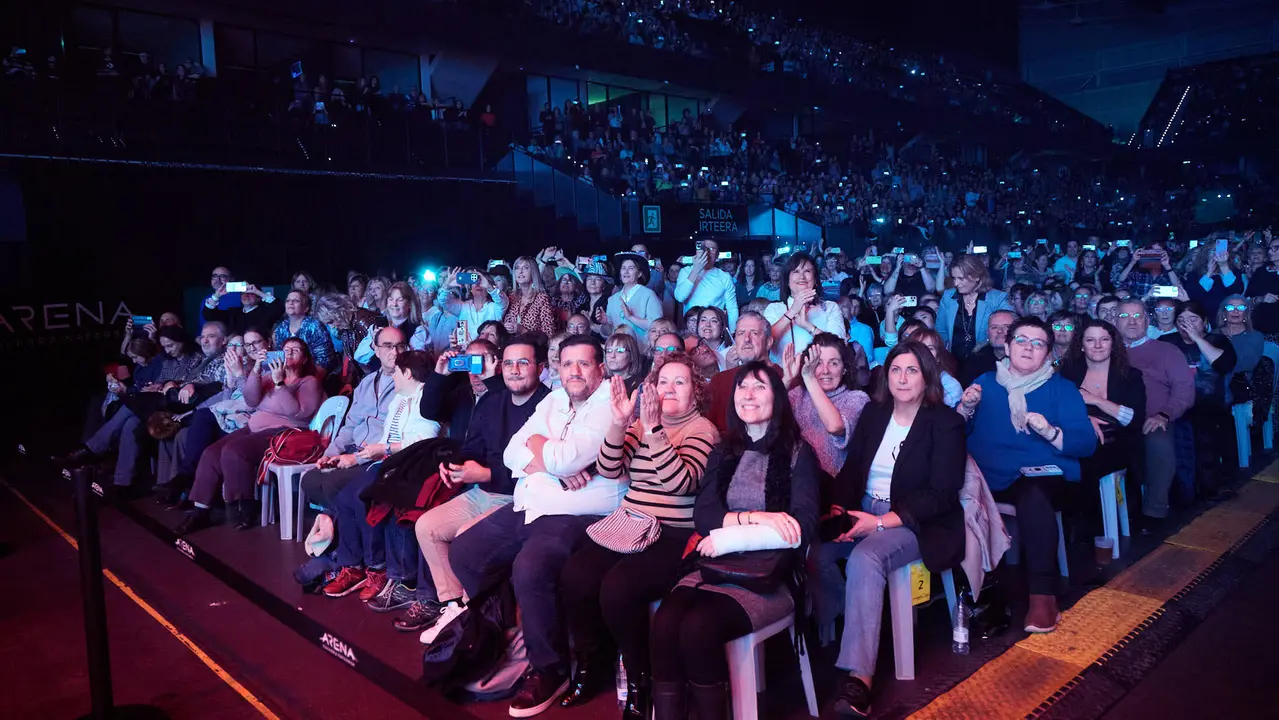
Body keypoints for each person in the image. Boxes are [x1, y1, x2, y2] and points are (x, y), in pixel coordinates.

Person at [449, 335, 626, 717]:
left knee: (530, 567)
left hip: (578, 514)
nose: (574, 372)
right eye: (567, 364)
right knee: (466, 551)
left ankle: (550, 669)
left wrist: (539, 450)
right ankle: (511, 636)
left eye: (583, 364)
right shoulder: (554, 398)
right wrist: (545, 458)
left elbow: (562, 457)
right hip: (530, 504)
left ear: (601, 368)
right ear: (558, 369)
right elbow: (514, 452)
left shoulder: (609, 404)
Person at [648, 362, 818, 720]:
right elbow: (704, 516)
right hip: (712, 564)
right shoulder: (724, 449)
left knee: (698, 628)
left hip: (768, 575)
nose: (748, 395)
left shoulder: (799, 454)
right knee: (664, 624)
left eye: (759, 387)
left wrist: (732, 535)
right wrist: (757, 518)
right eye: (742, 387)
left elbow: (802, 526)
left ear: (778, 397)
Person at [558, 353, 720, 717]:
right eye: (663, 381)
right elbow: (610, 468)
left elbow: (683, 484)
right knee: (576, 575)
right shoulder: (639, 424)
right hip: (628, 524)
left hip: (674, 534)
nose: (670, 388)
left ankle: (639, 679)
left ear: (696, 392)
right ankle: (589, 666)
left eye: (680, 382)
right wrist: (619, 422)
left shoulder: (702, 430)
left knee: (619, 587)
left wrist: (655, 430)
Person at [825, 342, 966, 718]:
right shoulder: (874, 414)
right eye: (895, 370)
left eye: (912, 371)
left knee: (866, 557)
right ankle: (843, 633)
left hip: (917, 521)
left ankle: (860, 678)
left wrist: (881, 522)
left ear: (927, 377)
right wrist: (839, 511)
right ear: (885, 376)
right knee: (817, 550)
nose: (902, 378)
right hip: (865, 507)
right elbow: (852, 470)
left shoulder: (946, 423)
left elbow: (941, 494)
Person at [405, 336, 552, 632]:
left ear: (540, 368)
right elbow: (473, 446)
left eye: (523, 363)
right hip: (482, 493)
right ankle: (455, 607)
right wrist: (456, 466)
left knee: (465, 537)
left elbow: (540, 469)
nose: (515, 370)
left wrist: (486, 474)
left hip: (521, 500)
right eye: (509, 363)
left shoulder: (549, 406)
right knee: (426, 526)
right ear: (502, 367)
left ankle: (477, 615)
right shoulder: (491, 401)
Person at [958, 316, 1095, 632]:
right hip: (988, 475)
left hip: (1043, 478)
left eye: (1038, 344)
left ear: (1048, 354)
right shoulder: (985, 383)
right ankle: (977, 596)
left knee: (1034, 494)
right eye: (1021, 340)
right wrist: (965, 408)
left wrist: (1049, 432)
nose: (1028, 348)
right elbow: (954, 434)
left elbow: (1086, 443)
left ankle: (1043, 597)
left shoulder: (1062, 389)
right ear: (1006, 346)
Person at [317, 351, 441, 615]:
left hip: (412, 466)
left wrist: (384, 448)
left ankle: (378, 569)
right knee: (344, 497)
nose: (392, 376)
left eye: (396, 371)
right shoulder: (398, 400)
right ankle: (352, 566)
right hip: (388, 462)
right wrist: (353, 458)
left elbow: (425, 442)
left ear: (407, 373)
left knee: (365, 497)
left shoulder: (426, 398)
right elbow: (382, 446)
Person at [177, 338, 325, 534]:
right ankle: (200, 511)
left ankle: (244, 508)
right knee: (211, 453)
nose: (288, 353)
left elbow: (298, 413)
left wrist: (280, 383)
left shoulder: (308, 382)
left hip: (284, 433)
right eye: (285, 349)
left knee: (235, 451)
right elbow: (251, 400)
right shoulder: (269, 376)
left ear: (305, 359)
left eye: (295, 350)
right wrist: (256, 369)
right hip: (254, 428)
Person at [298, 327, 405, 511]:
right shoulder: (367, 382)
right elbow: (350, 426)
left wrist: (355, 458)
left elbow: (397, 438)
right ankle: (336, 524)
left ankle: (339, 528)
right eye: (388, 346)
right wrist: (330, 454)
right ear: (376, 349)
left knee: (334, 484)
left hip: (380, 457)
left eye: (400, 346)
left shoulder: (409, 383)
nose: (394, 352)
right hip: (354, 450)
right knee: (310, 480)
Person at [1114, 299, 1195, 531]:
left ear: (1147, 321)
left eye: (1137, 316)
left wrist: (1164, 414)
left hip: (1154, 418)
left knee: (1159, 444)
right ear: (1115, 321)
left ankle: (1155, 510)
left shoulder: (1166, 351)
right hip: (1114, 420)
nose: (1132, 321)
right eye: (1125, 316)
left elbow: (1184, 390)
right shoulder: (1105, 350)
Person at [1059, 319, 1147, 525]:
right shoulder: (1067, 371)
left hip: (1119, 442)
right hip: (1078, 438)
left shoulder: (1131, 376)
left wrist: (1095, 400)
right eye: (1090, 340)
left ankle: (1087, 524)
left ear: (1113, 343)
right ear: (1081, 344)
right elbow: (1058, 409)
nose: (1097, 345)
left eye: (1104, 339)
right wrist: (1085, 419)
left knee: (1089, 462)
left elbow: (1134, 420)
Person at [1161, 301, 1237, 499]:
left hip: (1210, 404)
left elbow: (1223, 364)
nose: (1187, 324)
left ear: (1204, 321)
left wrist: (1196, 337)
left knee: (1206, 427)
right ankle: (1183, 489)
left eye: (1192, 319)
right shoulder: (1167, 341)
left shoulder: (1218, 340)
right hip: (1176, 405)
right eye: (1181, 320)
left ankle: (1210, 485)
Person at [782, 332, 870, 479]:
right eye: (818, 363)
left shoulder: (857, 399)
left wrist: (810, 378)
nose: (825, 370)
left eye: (833, 363)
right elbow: (767, 416)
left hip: (832, 485)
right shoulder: (798, 394)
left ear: (844, 368)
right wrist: (786, 380)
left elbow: (835, 427)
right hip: (792, 479)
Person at [763, 251, 848, 364]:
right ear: (787, 281)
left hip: (821, 374)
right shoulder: (774, 309)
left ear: (815, 280)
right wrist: (792, 311)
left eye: (807, 271)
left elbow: (839, 347)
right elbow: (764, 342)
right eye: (796, 271)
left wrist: (808, 326)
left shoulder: (830, 307)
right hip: (782, 377)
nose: (802, 276)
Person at [936, 254, 1012, 363]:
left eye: (961, 278)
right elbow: (941, 333)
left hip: (987, 362)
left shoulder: (997, 299)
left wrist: (986, 344)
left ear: (977, 276)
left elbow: (1009, 331)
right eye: (954, 278)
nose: (956, 283)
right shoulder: (948, 297)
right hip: (954, 363)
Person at [674, 239, 738, 333]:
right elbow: (680, 297)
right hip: (692, 328)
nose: (707, 252)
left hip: (714, 329)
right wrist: (696, 269)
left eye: (712, 249)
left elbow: (732, 309)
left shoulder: (725, 277)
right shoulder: (685, 271)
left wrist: (733, 333)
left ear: (717, 255)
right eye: (704, 248)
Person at [605, 252, 664, 349]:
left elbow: (658, 327)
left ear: (639, 274)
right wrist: (605, 322)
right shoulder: (612, 299)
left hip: (642, 352)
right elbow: (608, 333)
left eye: (631, 268)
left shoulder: (649, 295)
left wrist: (631, 317)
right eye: (623, 268)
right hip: (619, 352)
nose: (626, 271)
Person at [437, 267, 509, 345]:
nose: (478, 285)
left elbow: (502, 301)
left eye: (481, 282)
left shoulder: (495, 307)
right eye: (475, 282)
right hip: (465, 352)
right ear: (470, 288)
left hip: (489, 351)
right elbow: (442, 300)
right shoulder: (463, 306)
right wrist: (447, 285)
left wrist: (489, 286)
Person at [272, 290, 334, 372]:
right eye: (288, 300)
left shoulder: (315, 326)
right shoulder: (281, 328)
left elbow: (324, 361)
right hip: (287, 375)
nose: (290, 303)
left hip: (314, 375)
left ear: (306, 308)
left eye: (296, 301)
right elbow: (280, 357)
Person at [203, 282, 283, 337]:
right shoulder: (233, 313)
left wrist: (257, 292)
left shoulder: (266, 312)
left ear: (258, 298)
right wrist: (216, 296)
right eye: (243, 293)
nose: (246, 295)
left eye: (251, 293)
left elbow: (279, 309)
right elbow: (209, 315)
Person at [960, 310, 1015, 388]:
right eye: (994, 327)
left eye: (1006, 326)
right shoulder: (975, 361)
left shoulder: (1027, 358)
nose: (999, 331)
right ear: (987, 333)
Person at [504, 256, 557, 336]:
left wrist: (522, 330)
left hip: (533, 346)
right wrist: (506, 327)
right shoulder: (511, 297)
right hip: (512, 345)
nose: (520, 271)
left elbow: (549, 334)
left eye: (525, 268)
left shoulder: (542, 298)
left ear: (533, 272)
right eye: (517, 268)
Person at [912, 328, 963, 408]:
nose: (924, 352)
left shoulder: (950, 387)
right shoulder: (901, 379)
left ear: (938, 357)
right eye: (919, 347)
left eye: (930, 348)